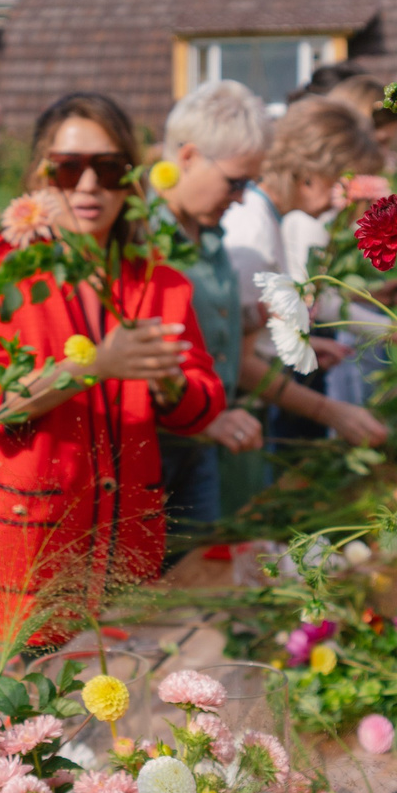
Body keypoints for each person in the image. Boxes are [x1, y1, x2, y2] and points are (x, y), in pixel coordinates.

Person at [0, 93, 225, 641]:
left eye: (109, 168)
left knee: (126, 690)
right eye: (68, 168)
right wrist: (95, 365)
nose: (89, 186)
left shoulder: (157, 280)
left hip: (126, 552)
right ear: (38, 176)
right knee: (27, 694)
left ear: (130, 180)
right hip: (27, 552)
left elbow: (202, 405)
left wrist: (168, 382)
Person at [222, 99, 391, 450]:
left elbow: (249, 329)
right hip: (237, 419)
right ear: (310, 170)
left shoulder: (269, 220)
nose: (341, 200)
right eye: (340, 183)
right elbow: (235, 359)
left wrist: (303, 347)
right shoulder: (252, 233)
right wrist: (329, 411)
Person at [150, 80, 272, 538]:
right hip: (153, 450)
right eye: (235, 182)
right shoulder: (141, 240)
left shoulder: (208, 235)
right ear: (188, 157)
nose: (241, 198)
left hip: (199, 444)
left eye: (249, 185)